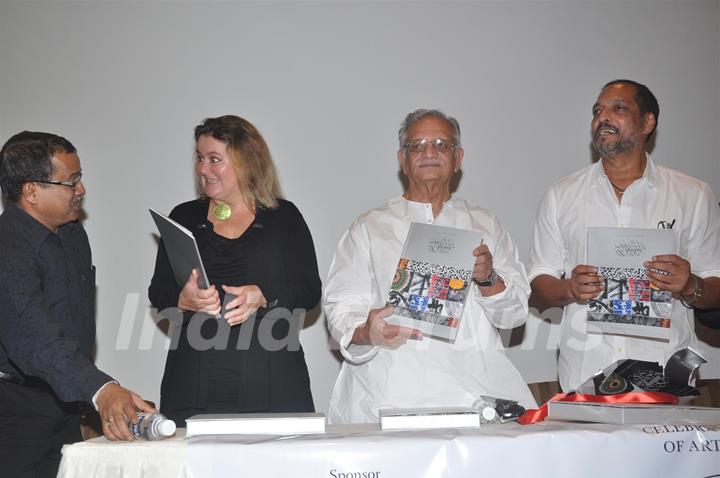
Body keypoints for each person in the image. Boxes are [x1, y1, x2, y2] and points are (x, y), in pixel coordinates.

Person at [324, 109, 537, 424]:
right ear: (403, 159)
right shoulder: (370, 227)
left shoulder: (486, 223)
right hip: (388, 394)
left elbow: (515, 316)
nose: (429, 153)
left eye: (442, 144)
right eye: (417, 146)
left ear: (457, 157)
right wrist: (368, 331)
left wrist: (489, 278)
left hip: (473, 393)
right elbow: (340, 308)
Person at [528, 80, 720, 392]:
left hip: (667, 376)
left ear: (648, 122)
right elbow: (539, 281)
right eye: (597, 111)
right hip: (584, 375)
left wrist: (690, 285)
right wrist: (569, 289)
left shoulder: (693, 195)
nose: (602, 118)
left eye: (617, 109)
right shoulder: (561, 195)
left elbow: (716, 282)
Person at [149, 115, 321, 427]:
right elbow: (158, 292)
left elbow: (309, 290)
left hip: (272, 386)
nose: (203, 169)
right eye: (200, 158)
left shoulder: (284, 218)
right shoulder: (183, 217)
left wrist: (265, 296)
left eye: (215, 159)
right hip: (194, 387)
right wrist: (181, 300)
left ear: (247, 161)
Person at [0, 131, 155, 478]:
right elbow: (35, 338)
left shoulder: (73, 235)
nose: (81, 190)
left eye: (80, 177)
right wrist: (102, 390)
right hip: (13, 412)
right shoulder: (7, 252)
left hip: (67, 402)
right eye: (71, 181)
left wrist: (88, 395)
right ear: (31, 191)